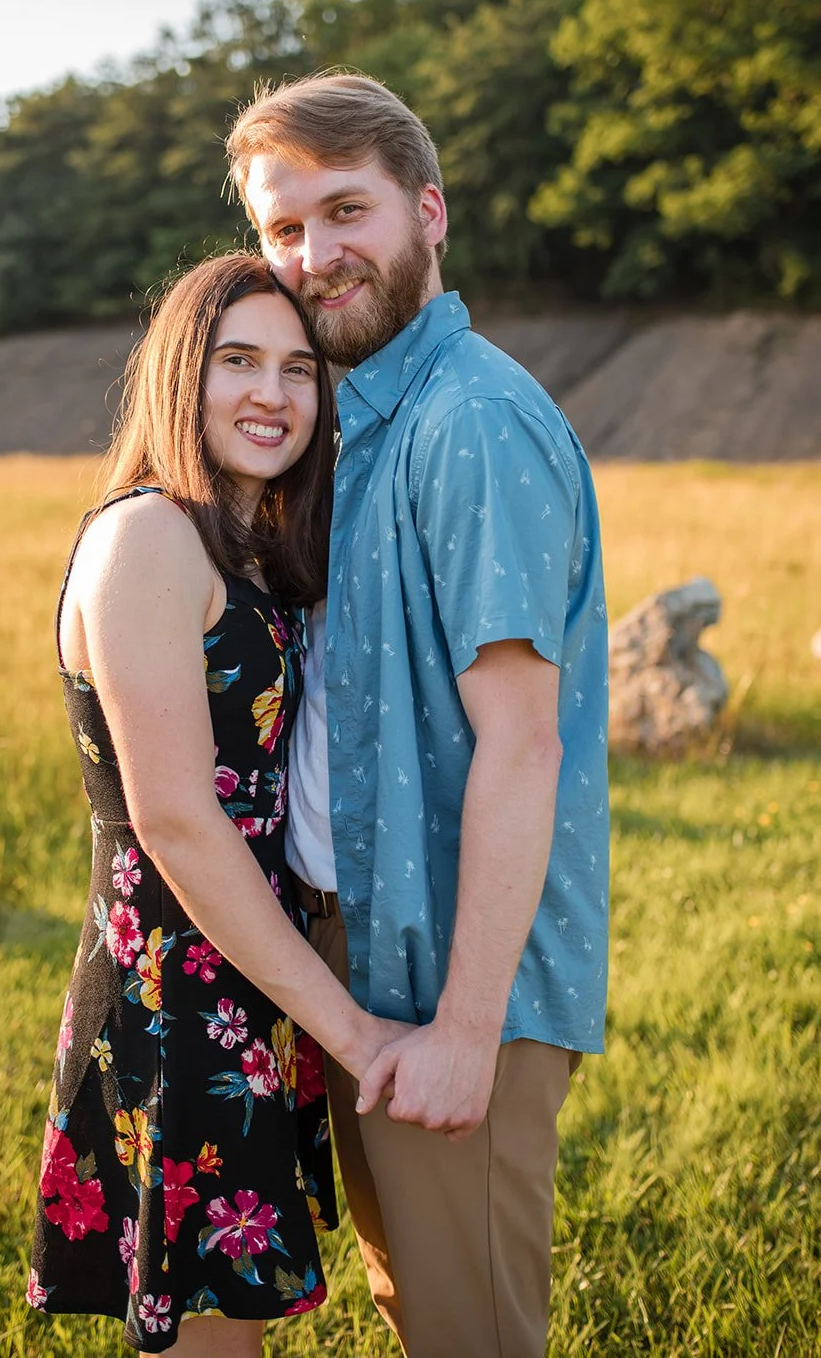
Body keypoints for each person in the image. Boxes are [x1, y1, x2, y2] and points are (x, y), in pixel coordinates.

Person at [226, 75, 610, 1358]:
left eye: (347, 210)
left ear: (429, 211)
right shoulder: (366, 421)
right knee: (420, 1310)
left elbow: (524, 741)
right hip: (365, 959)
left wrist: (464, 1025)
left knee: (473, 1332)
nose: (314, 256)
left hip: (460, 978)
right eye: (284, 228)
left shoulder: (470, 420)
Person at [26, 252, 409, 1355]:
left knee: (230, 1325)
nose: (273, 394)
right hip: (178, 991)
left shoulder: (245, 542)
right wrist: (349, 1030)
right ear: (180, 377)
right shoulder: (148, 534)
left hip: (243, 972)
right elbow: (179, 818)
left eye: (299, 369)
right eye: (238, 360)